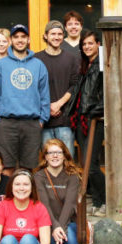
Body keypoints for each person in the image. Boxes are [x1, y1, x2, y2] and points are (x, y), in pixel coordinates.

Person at [0, 24, 50, 172]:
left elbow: (44, 94)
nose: (20, 40)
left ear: (28, 39)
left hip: (32, 123)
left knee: (29, 168)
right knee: (6, 167)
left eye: (23, 37)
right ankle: (7, 196)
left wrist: (42, 119)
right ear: (11, 40)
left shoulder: (38, 65)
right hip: (6, 123)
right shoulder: (1, 65)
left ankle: (27, 195)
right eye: (16, 37)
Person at [33, 140, 83, 244]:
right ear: (45, 157)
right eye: (50, 153)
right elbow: (43, 203)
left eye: (58, 152)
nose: (55, 156)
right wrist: (54, 227)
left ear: (64, 155)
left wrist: (59, 227)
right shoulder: (39, 176)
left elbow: (69, 204)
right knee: (49, 237)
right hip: (48, 221)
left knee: (70, 236)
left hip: (69, 221)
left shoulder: (73, 176)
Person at [36, 20, 82, 155]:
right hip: (43, 121)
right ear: (45, 36)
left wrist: (58, 104)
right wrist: (47, 107)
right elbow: (32, 89)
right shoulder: (36, 59)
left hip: (65, 121)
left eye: (60, 34)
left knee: (67, 161)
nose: (56, 37)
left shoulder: (71, 59)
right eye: (53, 34)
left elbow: (75, 85)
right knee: (47, 161)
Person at [72, 31, 106, 215]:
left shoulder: (101, 64)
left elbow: (107, 91)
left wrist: (95, 111)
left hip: (94, 119)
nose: (87, 47)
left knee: (90, 164)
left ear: (98, 44)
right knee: (85, 164)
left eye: (90, 44)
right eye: (84, 44)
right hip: (81, 119)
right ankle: (98, 200)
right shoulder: (86, 65)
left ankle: (105, 199)